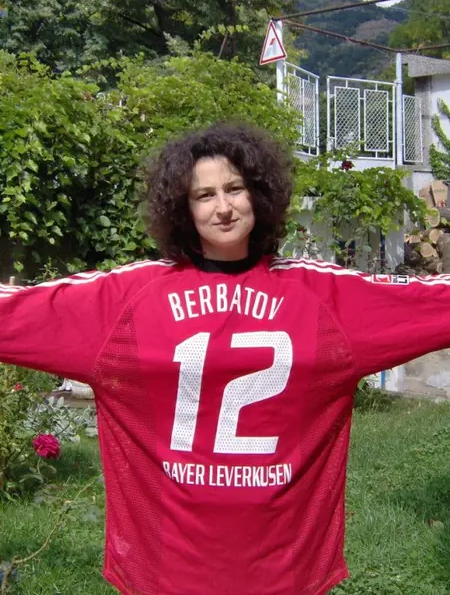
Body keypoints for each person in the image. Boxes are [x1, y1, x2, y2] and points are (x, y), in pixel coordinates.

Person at [1, 122, 450, 595]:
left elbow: (428, 303)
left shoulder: (322, 298)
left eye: (234, 188)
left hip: (283, 571)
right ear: (182, 207)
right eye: (204, 195)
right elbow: (22, 313)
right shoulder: (127, 302)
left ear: (259, 192)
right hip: (168, 572)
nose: (223, 207)